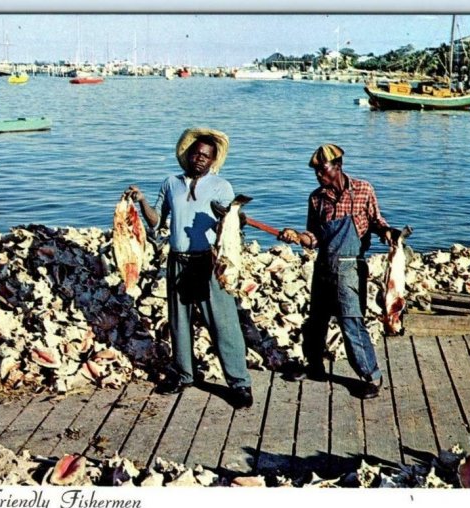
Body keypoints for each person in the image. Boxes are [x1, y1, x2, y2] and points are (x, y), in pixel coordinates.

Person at [123, 128, 253, 409]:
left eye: (206, 156)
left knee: (224, 324)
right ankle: (184, 374)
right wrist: (142, 201)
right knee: (179, 321)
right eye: (196, 153)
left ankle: (240, 383)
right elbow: (156, 221)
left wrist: (228, 216)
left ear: (213, 160)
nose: (199, 159)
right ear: (188, 154)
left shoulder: (222, 187)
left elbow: (233, 225)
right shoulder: (171, 183)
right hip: (178, 259)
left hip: (208, 261)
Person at [278, 144, 395, 400]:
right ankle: (315, 367)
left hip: (351, 266)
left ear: (338, 166)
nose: (319, 175)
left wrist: (387, 232)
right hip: (323, 265)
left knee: (351, 321)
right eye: (316, 171)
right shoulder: (317, 198)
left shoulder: (363, 189)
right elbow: (315, 237)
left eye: (323, 169)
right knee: (316, 319)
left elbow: (377, 221)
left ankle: (372, 376)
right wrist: (297, 236)